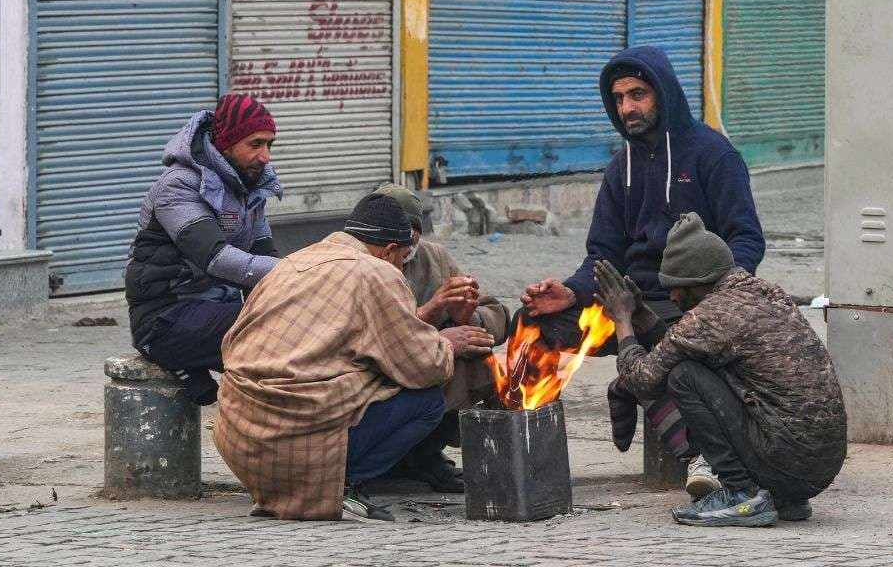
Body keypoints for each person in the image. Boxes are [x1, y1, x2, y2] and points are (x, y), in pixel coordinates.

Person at [518, 45, 765, 494]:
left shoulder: (713, 155)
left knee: (667, 353)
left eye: (638, 95)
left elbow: (747, 239)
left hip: (688, 306)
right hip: (622, 306)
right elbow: (602, 253)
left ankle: (702, 459)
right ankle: (525, 455)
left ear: (663, 94)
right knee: (533, 324)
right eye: (618, 98)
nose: (627, 108)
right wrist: (571, 293)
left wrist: (717, 301)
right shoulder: (620, 167)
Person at [213, 193, 496, 522]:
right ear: (389, 251)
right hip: (292, 445)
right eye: (403, 259)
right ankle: (344, 485)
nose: (403, 267)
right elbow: (424, 366)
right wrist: (446, 343)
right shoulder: (378, 273)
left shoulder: (294, 261)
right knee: (427, 400)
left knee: (364, 376)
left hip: (238, 438)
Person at [596, 213, 847, 527]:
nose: (671, 296)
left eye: (675, 287)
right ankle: (786, 499)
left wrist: (622, 319)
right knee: (700, 368)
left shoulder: (712, 315)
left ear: (698, 282)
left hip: (786, 459)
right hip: (818, 469)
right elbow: (683, 343)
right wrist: (644, 318)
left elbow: (643, 380)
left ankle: (741, 494)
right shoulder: (766, 294)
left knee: (684, 376)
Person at [125, 93, 282, 405]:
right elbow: (217, 258)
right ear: (224, 142)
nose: (265, 156)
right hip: (163, 320)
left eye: (269, 145)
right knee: (275, 333)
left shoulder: (250, 187)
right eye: (255, 144)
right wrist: (302, 270)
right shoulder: (179, 185)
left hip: (211, 311)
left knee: (295, 327)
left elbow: (265, 261)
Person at [371, 183, 510, 493]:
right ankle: (388, 458)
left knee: (481, 362)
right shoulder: (363, 263)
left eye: (412, 232)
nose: (406, 243)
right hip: (378, 372)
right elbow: (378, 336)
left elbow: (495, 318)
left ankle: (426, 455)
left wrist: (467, 317)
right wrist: (434, 317)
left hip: (427, 366)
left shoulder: (436, 258)